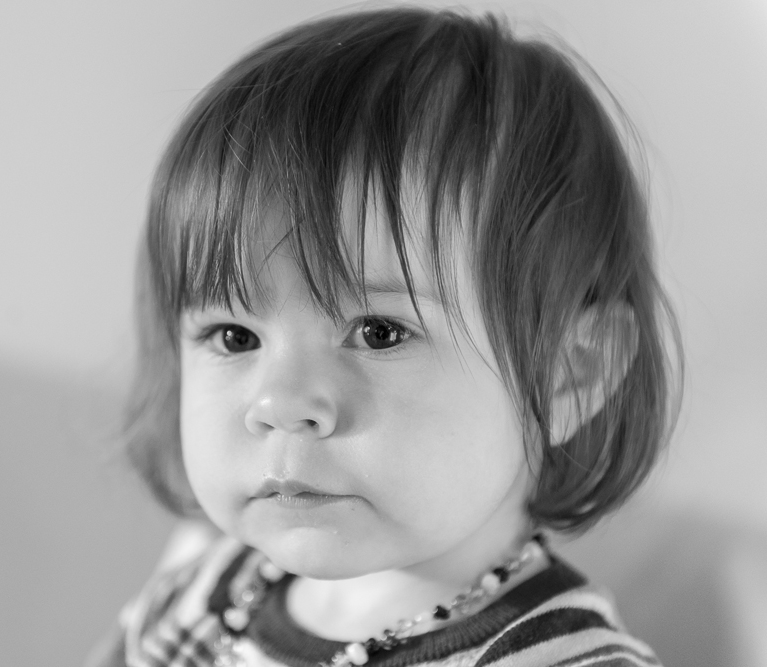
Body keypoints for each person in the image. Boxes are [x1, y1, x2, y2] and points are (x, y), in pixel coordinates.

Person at [92, 7, 679, 667]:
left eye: (378, 332)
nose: (281, 402)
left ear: (569, 373)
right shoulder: (202, 593)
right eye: (233, 336)